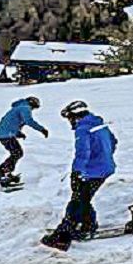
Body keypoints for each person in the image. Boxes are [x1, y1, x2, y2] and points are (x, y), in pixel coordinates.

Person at [40, 100, 118, 251]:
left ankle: (62, 236)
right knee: (83, 198)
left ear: (74, 116)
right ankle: (88, 225)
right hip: (105, 168)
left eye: (69, 118)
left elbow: (83, 152)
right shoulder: (100, 124)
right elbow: (114, 142)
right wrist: (104, 157)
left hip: (91, 172)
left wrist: (77, 172)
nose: (69, 122)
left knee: (77, 201)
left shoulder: (83, 129)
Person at [0, 96, 48, 187]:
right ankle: (1, 174)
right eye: (34, 107)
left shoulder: (19, 107)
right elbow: (29, 121)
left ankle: (4, 172)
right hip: (6, 135)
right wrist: (42, 129)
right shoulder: (25, 108)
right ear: (32, 104)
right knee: (17, 153)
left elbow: (12, 122)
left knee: (16, 153)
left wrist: (18, 133)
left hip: (5, 133)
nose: (32, 109)